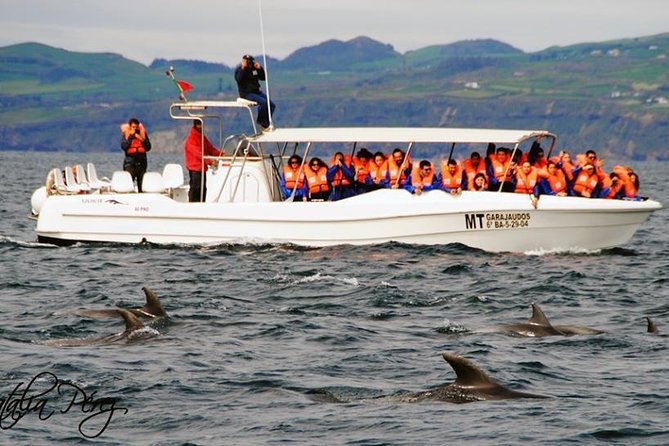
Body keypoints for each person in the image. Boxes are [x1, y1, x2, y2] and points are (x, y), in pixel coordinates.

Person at [184, 120, 223, 202]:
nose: (201, 127)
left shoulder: (201, 137)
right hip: (195, 169)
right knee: (196, 190)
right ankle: (192, 208)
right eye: (199, 125)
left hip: (202, 169)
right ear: (195, 125)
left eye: (201, 125)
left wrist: (222, 154)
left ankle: (201, 206)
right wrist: (210, 162)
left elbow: (210, 149)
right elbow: (198, 154)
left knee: (203, 190)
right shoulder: (192, 139)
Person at [234, 54, 276, 131]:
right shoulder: (239, 70)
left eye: (251, 61)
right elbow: (238, 79)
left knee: (272, 105)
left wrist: (260, 69)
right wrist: (243, 68)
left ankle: (266, 122)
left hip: (256, 92)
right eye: (248, 61)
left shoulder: (253, 69)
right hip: (247, 94)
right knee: (263, 103)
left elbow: (263, 78)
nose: (250, 63)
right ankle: (262, 123)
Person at [120, 117, 151, 192]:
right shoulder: (126, 135)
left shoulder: (142, 134)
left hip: (142, 163)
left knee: (142, 186)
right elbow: (124, 146)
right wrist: (131, 136)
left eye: (137, 127)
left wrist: (142, 140)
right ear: (130, 127)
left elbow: (148, 147)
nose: (135, 129)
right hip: (130, 163)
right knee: (128, 185)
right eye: (133, 127)